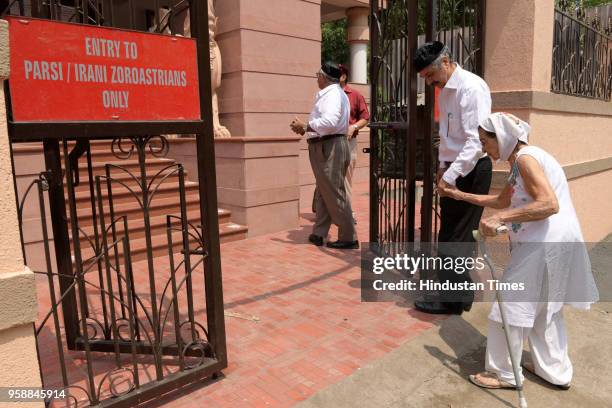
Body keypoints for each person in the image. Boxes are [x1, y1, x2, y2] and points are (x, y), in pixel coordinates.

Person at [439, 112, 599, 389]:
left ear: (500, 137)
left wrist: (501, 220)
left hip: (544, 244)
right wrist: (457, 194)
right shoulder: (521, 161)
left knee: (509, 307)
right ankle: (553, 371)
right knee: (544, 310)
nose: (484, 149)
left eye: (484, 141)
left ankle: (505, 374)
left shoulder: (526, 159)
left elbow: (548, 204)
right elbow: (502, 201)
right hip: (556, 242)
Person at [413, 41, 493, 315]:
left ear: (445, 62)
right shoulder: (446, 89)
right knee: (451, 236)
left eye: (430, 75)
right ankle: (458, 295)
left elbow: (476, 142)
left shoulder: (471, 88)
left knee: (455, 239)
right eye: (425, 78)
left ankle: (452, 301)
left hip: (470, 172)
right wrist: (442, 166)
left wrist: (449, 175)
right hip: (454, 169)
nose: (429, 82)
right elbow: (448, 137)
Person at [290, 62, 359, 249]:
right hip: (328, 145)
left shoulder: (333, 95)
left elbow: (330, 121)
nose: (316, 78)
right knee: (324, 191)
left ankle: (349, 236)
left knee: (334, 192)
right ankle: (319, 233)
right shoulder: (335, 94)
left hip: (329, 147)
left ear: (324, 77)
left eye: (317, 75)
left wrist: (306, 127)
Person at [312, 64, 370, 223]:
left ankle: (346, 214)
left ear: (343, 77)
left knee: (345, 180)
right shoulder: (326, 94)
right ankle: (327, 214)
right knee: (326, 180)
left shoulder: (354, 95)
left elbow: (365, 117)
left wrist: (354, 126)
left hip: (347, 142)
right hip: (326, 143)